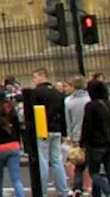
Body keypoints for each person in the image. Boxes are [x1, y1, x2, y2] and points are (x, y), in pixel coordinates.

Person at [80, 80, 110, 197]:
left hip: (96, 144)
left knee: (94, 172)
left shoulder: (90, 106)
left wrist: (82, 143)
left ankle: (109, 193)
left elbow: (87, 127)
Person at [34, 69, 71, 197]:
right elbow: (63, 113)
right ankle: (63, 190)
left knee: (43, 161)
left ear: (41, 77)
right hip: (57, 129)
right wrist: (64, 131)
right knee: (57, 160)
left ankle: (42, 191)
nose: (34, 80)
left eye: (35, 77)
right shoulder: (57, 93)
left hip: (42, 129)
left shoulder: (37, 92)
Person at [0, 87, 27, 197]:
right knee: (16, 178)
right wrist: (19, 144)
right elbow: (18, 129)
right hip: (13, 146)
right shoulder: (11, 109)